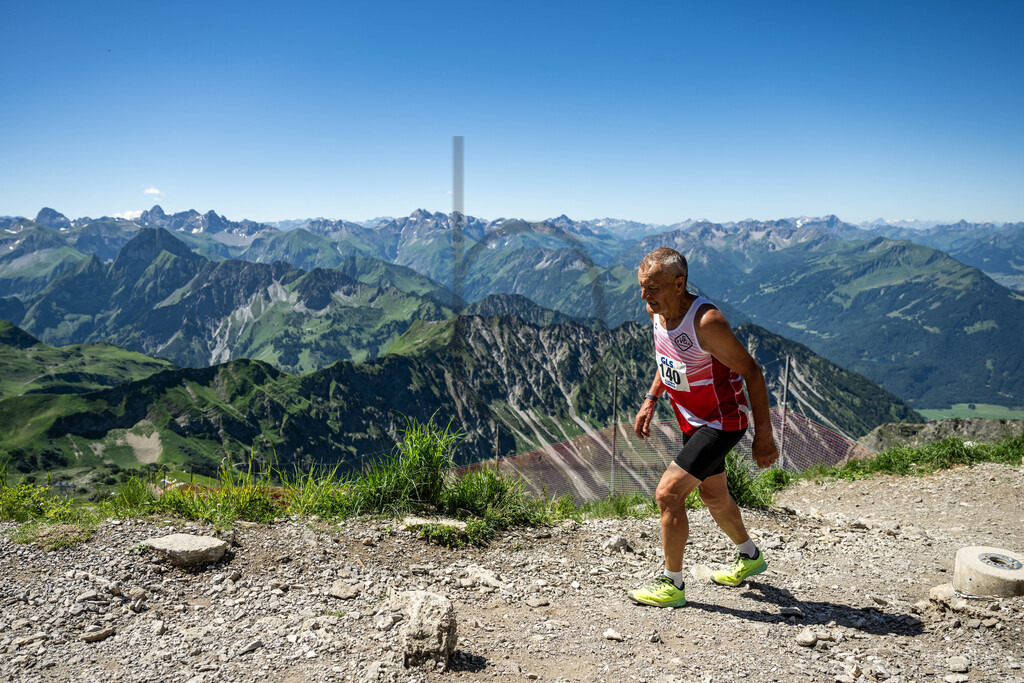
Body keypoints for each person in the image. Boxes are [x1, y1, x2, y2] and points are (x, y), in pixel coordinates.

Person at [627, 247, 779, 608]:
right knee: (713, 496)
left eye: (654, 288)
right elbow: (670, 360)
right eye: (642, 287)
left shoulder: (706, 323)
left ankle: (672, 585)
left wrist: (765, 435)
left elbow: (752, 373)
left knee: (668, 494)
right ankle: (750, 556)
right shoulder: (657, 311)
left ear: (679, 284)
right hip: (690, 419)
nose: (645, 297)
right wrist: (651, 397)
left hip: (721, 421)